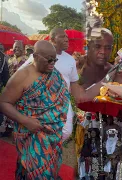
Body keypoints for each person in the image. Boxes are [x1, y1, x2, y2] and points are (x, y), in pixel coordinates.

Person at [19, 27, 105, 142]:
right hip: (42, 101)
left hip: (63, 101)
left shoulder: (70, 60)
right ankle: (39, 152)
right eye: (62, 36)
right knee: (40, 130)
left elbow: (74, 83)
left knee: (66, 131)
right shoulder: (38, 56)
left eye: (67, 37)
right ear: (52, 39)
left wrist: (82, 100)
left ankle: (48, 149)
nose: (66, 39)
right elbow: (20, 75)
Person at [0, 40, 70, 178]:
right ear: (35, 56)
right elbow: (3, 102)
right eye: (49, 60)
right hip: (31, 135)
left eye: (55, 60)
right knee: (41, 174)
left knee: (41, 170)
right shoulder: (21, 76)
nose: (53, 63)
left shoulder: (54, 74)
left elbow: (61, 99)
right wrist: (25, 121)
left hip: (52, 136)